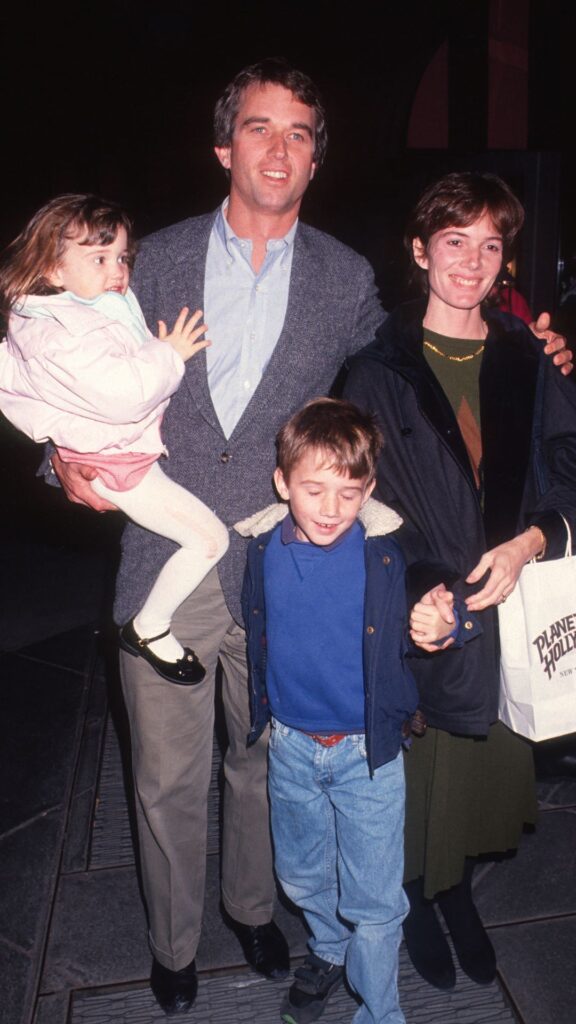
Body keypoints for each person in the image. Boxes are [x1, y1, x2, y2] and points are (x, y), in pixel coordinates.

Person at [47, 64, 570, 1012]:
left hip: (290, 567)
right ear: (224, 147)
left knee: (262, 759)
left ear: (316, 158)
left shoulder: (341, 274)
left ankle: (254, 907)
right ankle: (171, 945)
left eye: (299, 133)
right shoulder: (146, 260)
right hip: (165, 556)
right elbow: (62, 365)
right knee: (165, 777)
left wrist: (531, 334)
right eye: (259, 128)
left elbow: (411, 350)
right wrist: (65, 465)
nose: (279, 148)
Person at [343, 171, 576, 991]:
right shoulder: (377, 371)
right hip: (425, 608)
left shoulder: (529, 359)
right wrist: (422, 590)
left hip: (508, 600)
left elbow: (567, 467)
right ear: (419, 250)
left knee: (480, 770)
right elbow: (361, 505)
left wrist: (529, 543)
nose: (473, 263)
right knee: (418, 775)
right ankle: (414, 892)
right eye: (454, 242)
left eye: (491, 245)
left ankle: (457, 893)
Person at [237, 397, 476, 1024]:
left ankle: (380, 1011)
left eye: (348, 492)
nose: (329, 508)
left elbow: (440, 588)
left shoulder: (384, 551)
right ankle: (329, 948)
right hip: (290, 748)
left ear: (368, 488)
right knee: (302, 878)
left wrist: (444, 619)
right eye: (313, 489)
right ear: (282, 482)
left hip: (366, 756)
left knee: (375, 901)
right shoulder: (260, 547)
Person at [0, 194, 229, 685]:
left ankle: (149, 625)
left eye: (122, 257)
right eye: (99, 258)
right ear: (53, 269)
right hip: (116, 465)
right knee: (210, 540)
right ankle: (150, 627)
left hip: (119, 452)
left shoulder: (75, 310)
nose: (118, 270)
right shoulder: (62, 331)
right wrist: (171, 355)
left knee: (204, 537)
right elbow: (124, 396)